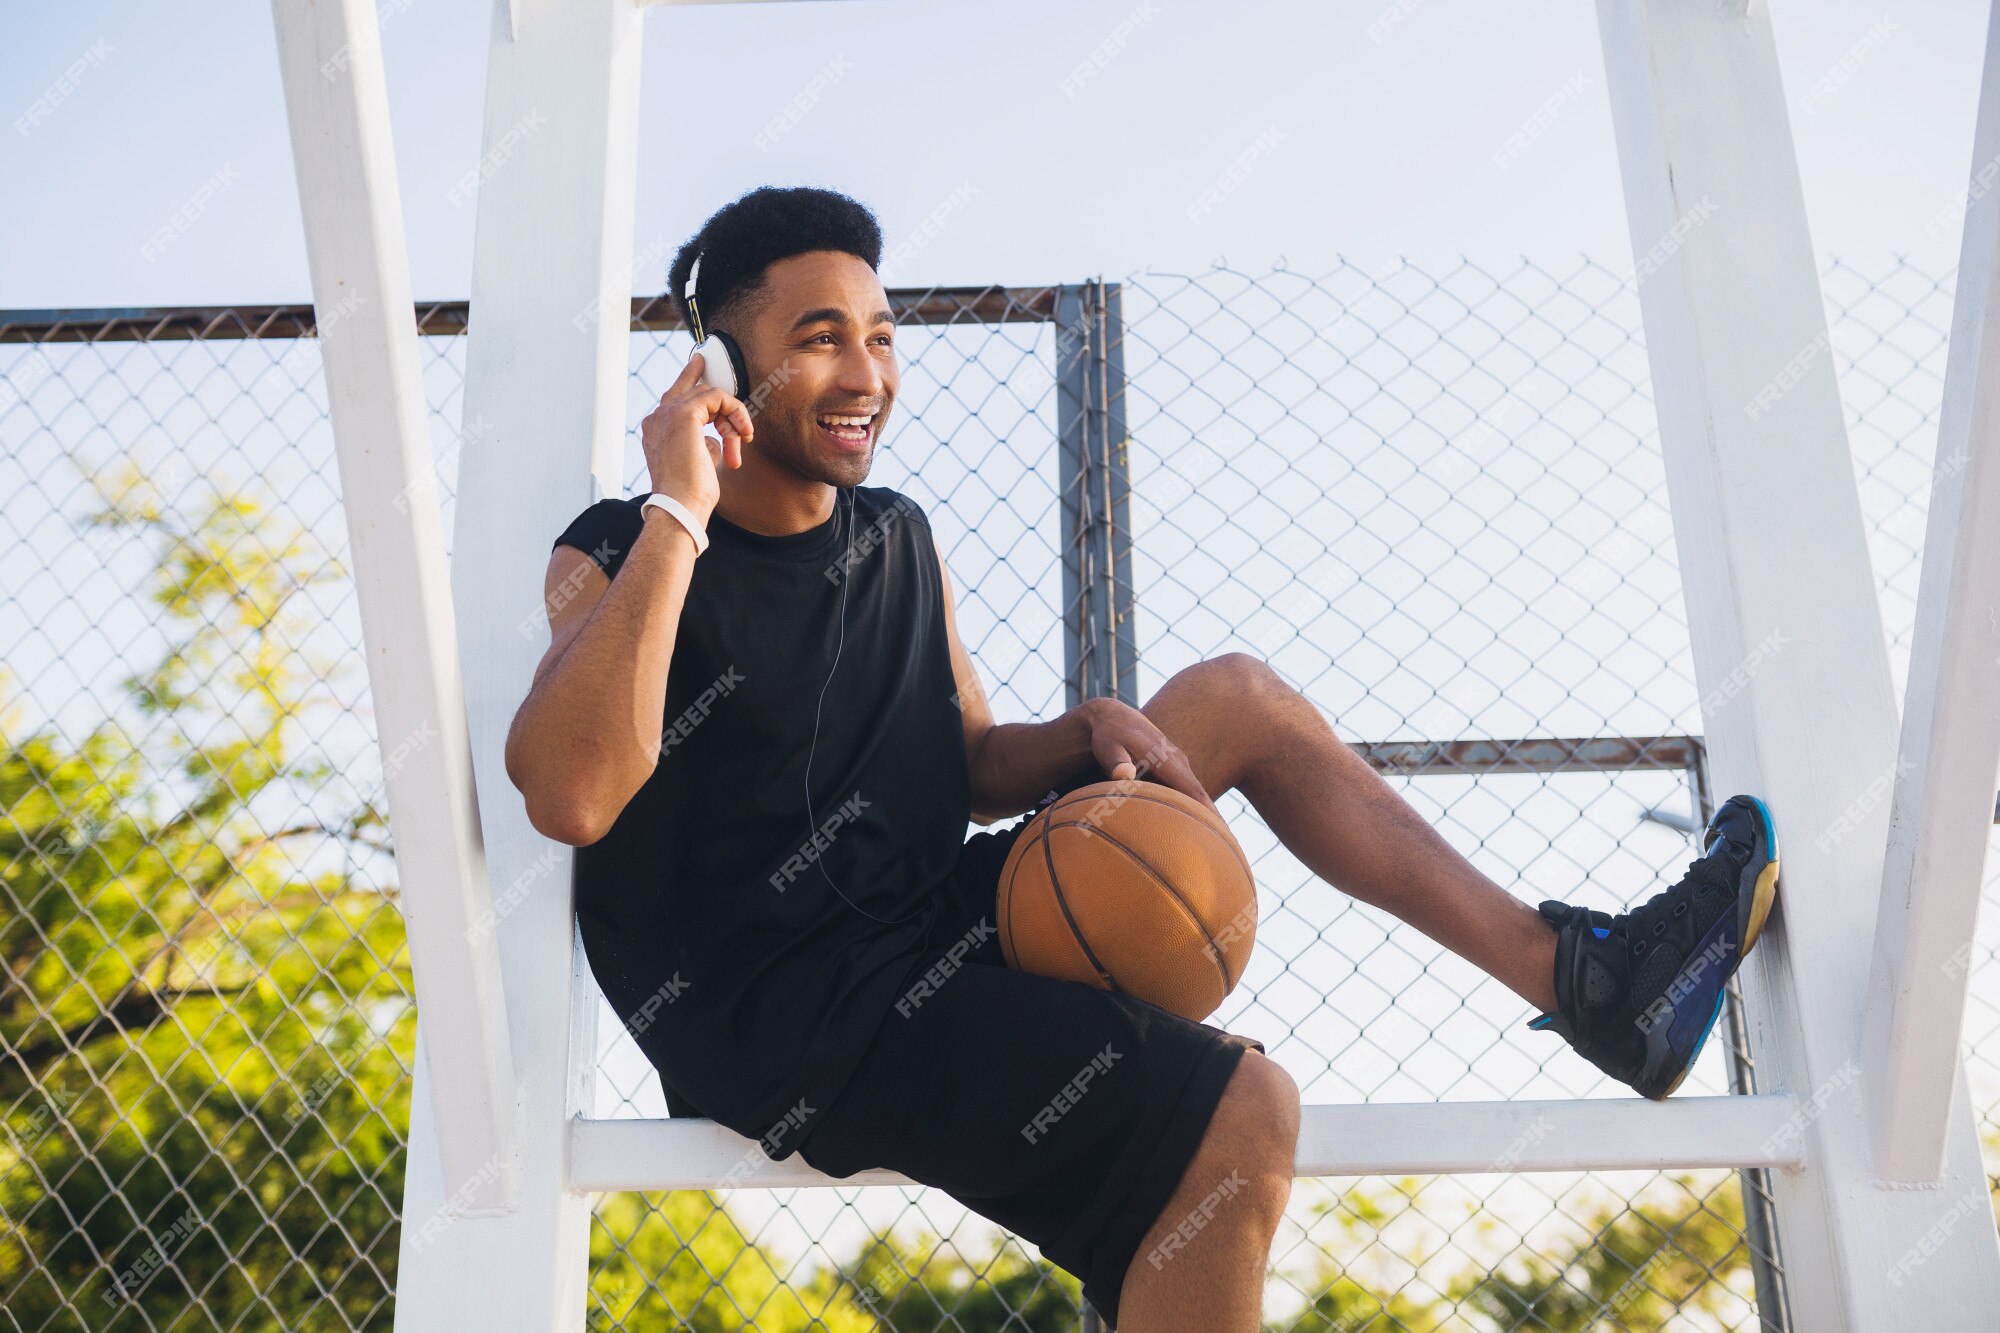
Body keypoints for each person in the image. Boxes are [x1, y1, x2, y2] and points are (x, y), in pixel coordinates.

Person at [502, 185, 1780, 1331]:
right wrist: (682, 502)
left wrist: (1080, 735)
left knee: (1232, 699)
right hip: (786, 1013)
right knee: (1242, 1113)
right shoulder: (621, 550)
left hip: (925, 926)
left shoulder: (898, 536)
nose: (866, 371)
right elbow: (569, 789)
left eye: (881, 334)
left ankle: (1597, 987)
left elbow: (967, 758)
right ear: (724, 363)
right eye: (819, 336)